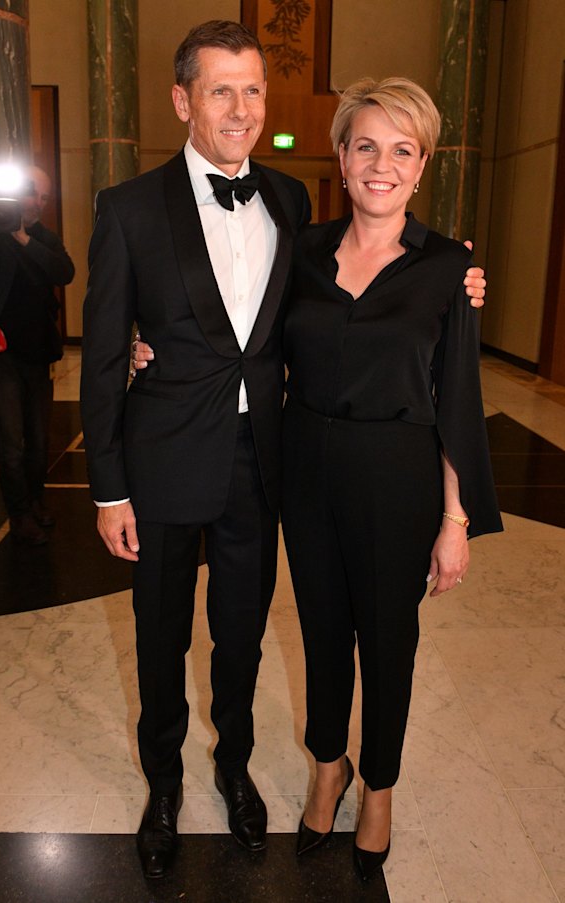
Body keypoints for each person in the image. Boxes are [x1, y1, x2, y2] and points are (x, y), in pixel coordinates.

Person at [88, 21, 486, 881]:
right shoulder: (126, 208)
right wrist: (108, 484)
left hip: (268, 462)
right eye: (221, 89)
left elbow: (369, 313)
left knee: (241, 634)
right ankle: (163, 783)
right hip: (162, 460)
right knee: (160, 637)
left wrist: (459, 282)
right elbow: (100, 347)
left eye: (254, 89)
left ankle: (234, 768)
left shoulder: (290, 205)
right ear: (182, 99)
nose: (241, 108)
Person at [279, 77, 503, 883]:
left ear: (422, 166)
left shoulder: (449, 268)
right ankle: (327, 765)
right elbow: (247, 337)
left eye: (401, 150)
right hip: (304, 467)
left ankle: (379, 786)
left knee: (389, 639)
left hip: (398, 474)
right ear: (341, 159)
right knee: (320, 629)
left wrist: (455, 519)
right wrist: (152, 350)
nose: (382, 164)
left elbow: (461, 400)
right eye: (365, 145)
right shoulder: (301, 251)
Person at [0, 165, 74, 545]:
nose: (37, 201)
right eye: (33, 192)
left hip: (37, 352)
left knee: (37, 439)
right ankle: (19, 514)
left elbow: (64, 273)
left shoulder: (41, 237)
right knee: (11, 440)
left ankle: (34, 501)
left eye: (45, 197)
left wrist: (22, 237)